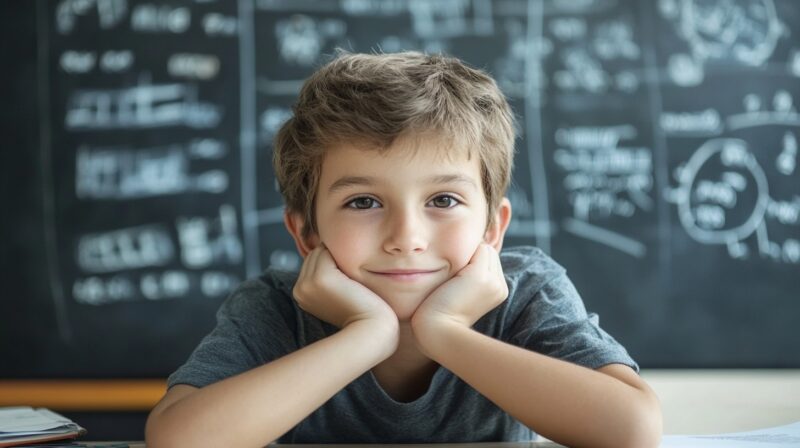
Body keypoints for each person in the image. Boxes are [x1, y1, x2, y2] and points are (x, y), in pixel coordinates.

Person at [145, 51, 662, 448]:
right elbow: (178, 438)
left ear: (492, 229)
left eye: (443, 199)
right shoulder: (276, 309)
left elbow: (632, 428)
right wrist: (367, 336)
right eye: (364, 201)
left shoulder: (527, 291)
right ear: (307, 234)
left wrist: (445, 333)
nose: (406, 236)